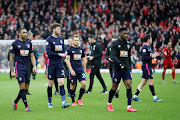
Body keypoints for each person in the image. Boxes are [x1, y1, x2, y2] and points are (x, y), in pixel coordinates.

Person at [107, 28, 137, 112]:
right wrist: (120, 64)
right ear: (120, 34)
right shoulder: (114, 44)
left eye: (127, 33)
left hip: (126, 69)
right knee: (114, 87)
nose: (126, 35)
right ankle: (109, 103)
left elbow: (128, 56)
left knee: (129, 85)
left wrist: (129, 66)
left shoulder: (128, 44)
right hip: (117, 69)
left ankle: (129, 106)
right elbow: (112, 56)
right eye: (124, 33)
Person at [10, 27, 37, 111]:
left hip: (27, 67)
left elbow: (32, 56)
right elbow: (11, 58)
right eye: (23, 33)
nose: (25, 34)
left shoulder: (29, 43)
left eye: (26, 32)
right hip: (19, 67)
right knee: (21, 86)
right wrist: (12, 70)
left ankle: (15, 101)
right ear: (19, 34)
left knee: (25, 88)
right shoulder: (15, 44)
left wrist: (34, 66)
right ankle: (26, 106)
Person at [132, 34, 163, 102]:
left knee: (143, 82)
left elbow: (149, 56)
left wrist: (155, 55)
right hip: (146, 66)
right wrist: (152, 56)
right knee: (151, 81)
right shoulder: (144, 48)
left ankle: (135, 96)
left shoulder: (148, 47)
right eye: (151, 38)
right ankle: (155, 97)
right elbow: (144, 57)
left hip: (147, 66)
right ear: (148, 39)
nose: (151, 40)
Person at [46, 23, 70, 108]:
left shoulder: (61, 39)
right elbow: (48, 53)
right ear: (54, 30)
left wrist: (65, 55)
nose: (60, 31)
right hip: (51, 64)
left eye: (60, 29)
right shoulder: (49, 39)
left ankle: (63, 102)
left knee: (61, 82)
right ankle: (49, 103)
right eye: (58, 29)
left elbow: (63, 51)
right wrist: (59, 55)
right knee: (50, 84)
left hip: (59, 64)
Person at [65, 34, 86, 106]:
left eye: (78, 40)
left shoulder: (81, 49)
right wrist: (71, 70)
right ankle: (73, 101)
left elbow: (83, 60)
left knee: (84, 84)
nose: (76, 42)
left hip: (80, 70)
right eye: (75, 40)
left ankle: (79, 99)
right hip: (73, 70)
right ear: (73, 41)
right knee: (72, 86)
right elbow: (67, 60)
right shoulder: (69, 50)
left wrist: (85, 70)